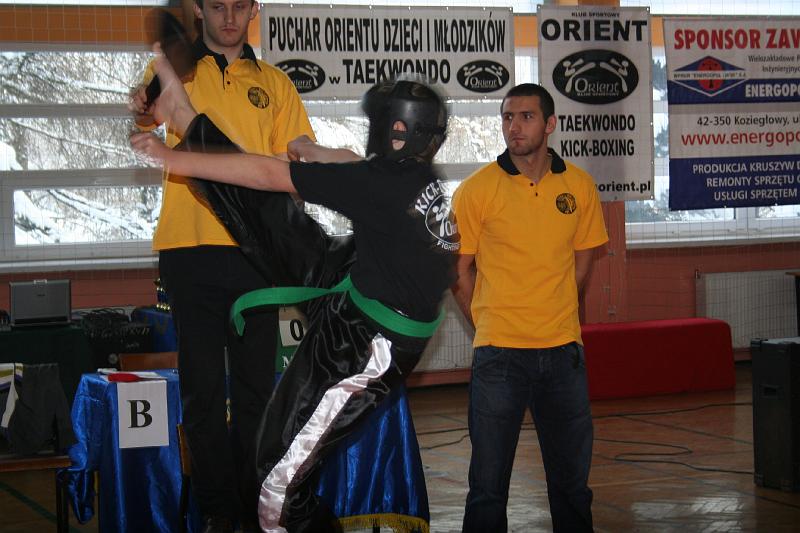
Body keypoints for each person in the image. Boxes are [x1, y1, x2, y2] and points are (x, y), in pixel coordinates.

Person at [131, 53, 458, 533]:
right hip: (361, 288)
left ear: (395, 131)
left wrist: (171, 158)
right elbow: (353, 163)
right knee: (277, 223)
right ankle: (187, 118)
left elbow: (267, 174)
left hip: (369, 341)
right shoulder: (416, 176)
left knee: (275, 488)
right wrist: (312, 150)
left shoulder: (379, 186)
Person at [129, 1, 315, 531]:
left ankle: (255, 506)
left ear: (254, 9)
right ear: (199, 9)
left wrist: (316, 155)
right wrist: (143, 102)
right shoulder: (179, 68)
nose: (229, 16)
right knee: (203, 392)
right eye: (217, 5)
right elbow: (144, 111)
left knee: (257, 392)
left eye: (239, 5)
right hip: (189, 251)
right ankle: (217, 511)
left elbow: (296, 147)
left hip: (256, 253)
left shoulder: (275, 83)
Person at [451, 83, 608, 533]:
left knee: (572, 487)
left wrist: (553, 308)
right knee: (487, 487)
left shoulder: (579, 185)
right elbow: (458, 272)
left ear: (550, 123)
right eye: (507, 117)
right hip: (499, 355)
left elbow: (583, 261)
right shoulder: (477, 189)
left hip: (563, 354)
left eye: (526, 116)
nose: (514, 126)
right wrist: (488, 323)